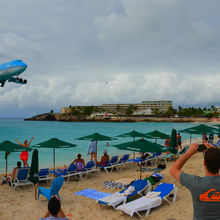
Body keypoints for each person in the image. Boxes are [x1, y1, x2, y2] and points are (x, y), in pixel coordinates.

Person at [170, 142, 220, 219]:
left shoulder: (196, 183)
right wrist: (216, 151)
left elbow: (173, 170)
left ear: (204, 163)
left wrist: (189, 153)